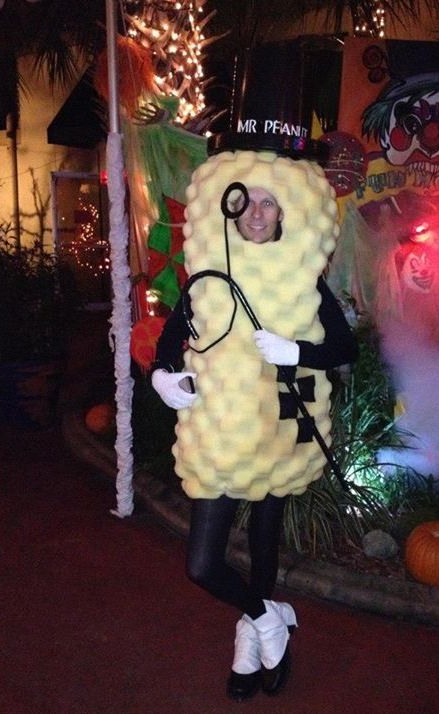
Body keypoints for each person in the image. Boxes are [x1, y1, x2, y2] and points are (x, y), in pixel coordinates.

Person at [151, 185, 357, 702]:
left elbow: (342, 346)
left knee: (266, 537)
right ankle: (268, 621)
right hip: (219, 432)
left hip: (277, 427)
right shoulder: (208, 270)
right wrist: (163, 375)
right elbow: (171, 335)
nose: (259, 213)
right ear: (231, 206)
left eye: (271, 202)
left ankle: (249, 632)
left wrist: (295, 352)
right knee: (201, 564)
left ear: (284, 210)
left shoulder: (301, 275)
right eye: (249, 201)